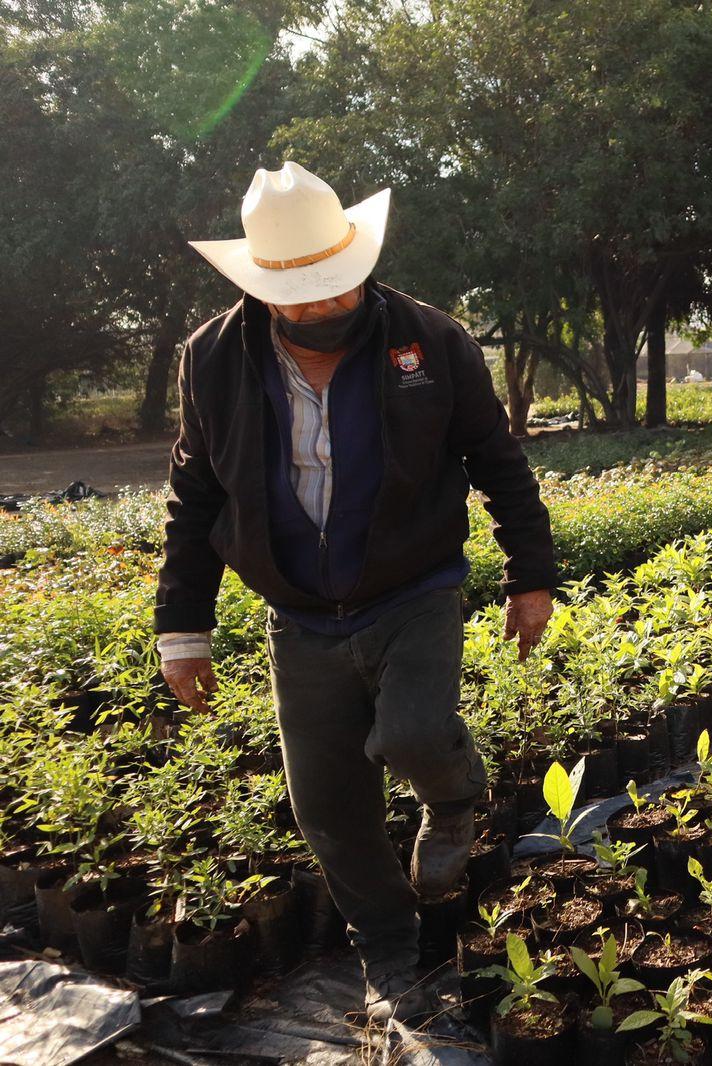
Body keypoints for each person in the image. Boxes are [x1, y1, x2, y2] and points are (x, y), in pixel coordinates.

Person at [157, 162, 559, 1024]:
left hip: (411, 589)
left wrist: (531, 577)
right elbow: (194, 500)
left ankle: (454, 799)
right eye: (292, 296)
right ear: (260, 284)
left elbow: (498, 461)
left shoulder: (431, 340)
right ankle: (389, 949)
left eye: (329, 289)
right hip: (298, 614)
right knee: (328, 806)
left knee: (415, 732)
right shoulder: (214, 358)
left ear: (359, 266)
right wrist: (181, 630)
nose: (312, 310)